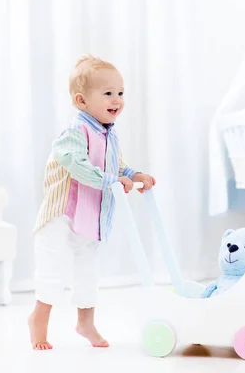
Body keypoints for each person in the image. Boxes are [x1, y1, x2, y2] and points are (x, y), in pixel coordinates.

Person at [28, 54, 155, 350]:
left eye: (120, 93)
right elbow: (79, 166)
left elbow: (115, 165)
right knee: (53, 270)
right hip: (61, 216)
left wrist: (133, 174)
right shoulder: (74, 133)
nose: (117, 100)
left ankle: (85, 322)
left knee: (88, 270)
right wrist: (112, 181)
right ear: (81, 101)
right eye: (108, 93)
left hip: (90, 216)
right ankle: (39, 319)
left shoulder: (110, 135)